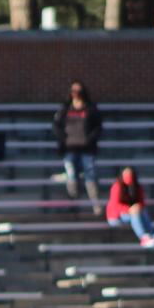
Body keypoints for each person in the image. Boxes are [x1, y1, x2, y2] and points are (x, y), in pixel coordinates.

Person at [52, 80, 102, 213]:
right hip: (70, 148)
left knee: (90, 174)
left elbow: (98, 127)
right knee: (71, 175)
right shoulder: (65, 108)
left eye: (78, 91)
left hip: (87, 148)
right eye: (73, 91)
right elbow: (56, 125)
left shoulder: (90, 108)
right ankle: (72, 203)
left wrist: (88, 139)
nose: (76, 94)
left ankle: (96, 204)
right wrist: (64, 139)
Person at [105, 167, 154, 246]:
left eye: (130, 174)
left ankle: (153, 235)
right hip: (116, 217)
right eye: (126, 174)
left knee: (142, 211)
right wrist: (129, 209)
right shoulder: (117, 186)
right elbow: (115, 206)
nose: (128, 177)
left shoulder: (137, 187)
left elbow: (141, 202)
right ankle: (143, 238)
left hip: (132, 214)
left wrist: (137, 207)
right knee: (135, 213)